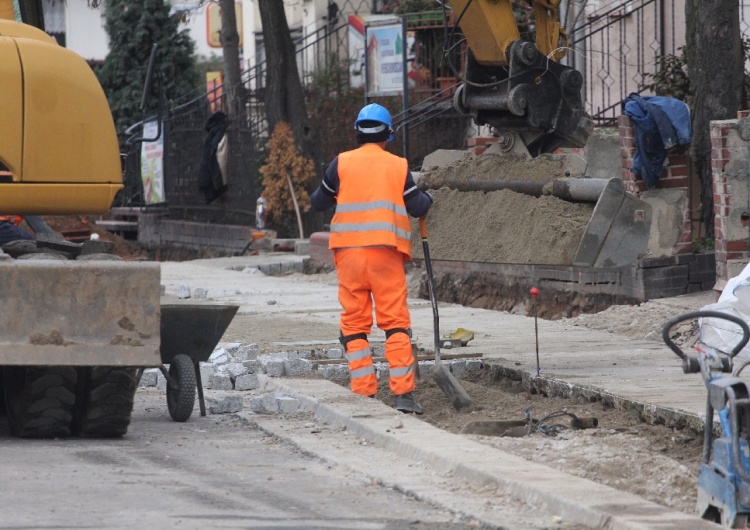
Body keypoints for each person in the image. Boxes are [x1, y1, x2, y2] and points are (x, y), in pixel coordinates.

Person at [310, 103, 433, 414]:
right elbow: (418, 206)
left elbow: (317, 201)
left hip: (349, 256)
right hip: (386, 256)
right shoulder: (397, 166)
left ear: (357, 133)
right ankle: (403, 396)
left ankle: (363, 393)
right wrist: (428, 197)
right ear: (388, 135)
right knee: (395, 324)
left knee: (354, 324)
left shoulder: (340, 163)